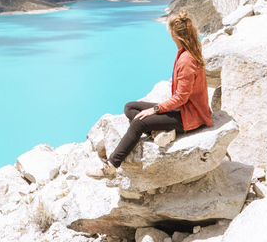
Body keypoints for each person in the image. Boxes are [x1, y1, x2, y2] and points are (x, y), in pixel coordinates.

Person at [86, 10, 213, 178]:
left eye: (170, 33)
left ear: (175, 35)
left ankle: (110, 166)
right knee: (130, 107)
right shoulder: (188, 52)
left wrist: (155, 110)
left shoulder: (187, 60)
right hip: (184, 109)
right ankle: (160, 130)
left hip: (190, 116)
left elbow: (181, 97)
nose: (170, 36)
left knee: (139, 123)